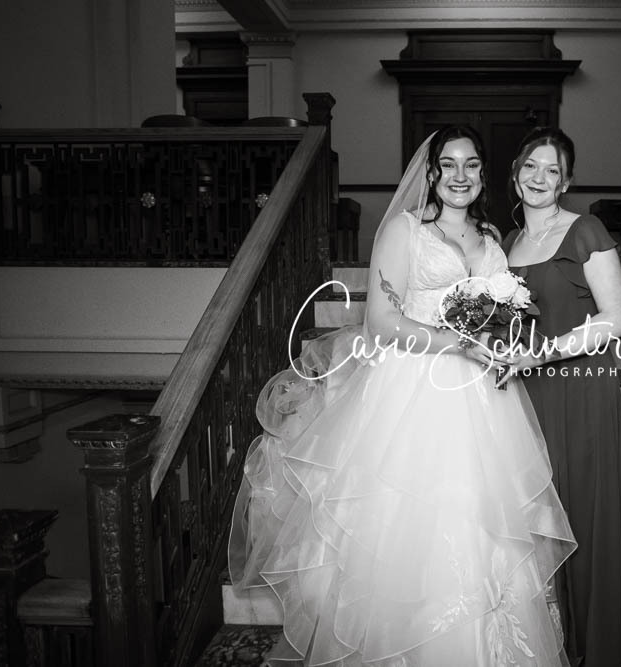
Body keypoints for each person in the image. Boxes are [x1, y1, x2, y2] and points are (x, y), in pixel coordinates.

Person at [228, 125, 576, 666]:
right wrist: (459, 344)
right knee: (412, 521)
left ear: (483, 175)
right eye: (448, 164)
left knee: (480, 521)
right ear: (431, 173)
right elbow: (382, 321)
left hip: (484, 398)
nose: (460, 175)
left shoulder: (491, 237)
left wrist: (499, 343)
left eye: (471, 165)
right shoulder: (403, 230)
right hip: (414, 388)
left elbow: (498, 311)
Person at [502, 127, 621, 667]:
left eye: (552, 170)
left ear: (565, 182)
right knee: (537, 509)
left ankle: (594, 638)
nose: (539, 177)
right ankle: (549, 635)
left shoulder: (585, 230)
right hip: (525, 390)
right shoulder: (507, 243)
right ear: (515, 174)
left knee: (581, 507)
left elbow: (618, 319)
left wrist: (543, 353)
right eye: (530, 166)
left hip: (578, 387)